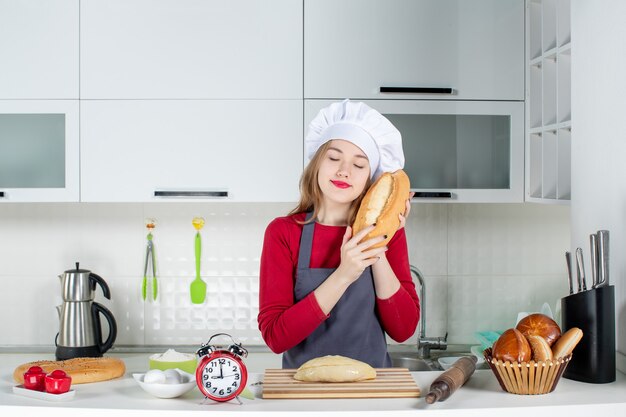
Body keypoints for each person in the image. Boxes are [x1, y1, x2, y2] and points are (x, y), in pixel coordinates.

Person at [257, 99, 420, 368]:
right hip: (304, 394)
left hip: (372, 393)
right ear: (317, 164)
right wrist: (344, 275)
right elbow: (276, 337)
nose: (344, 171)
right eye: (334, 158)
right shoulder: (283, 233)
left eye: (359, 165)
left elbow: (403, 330)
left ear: (370, 178)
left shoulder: (390, 236)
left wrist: (376, 244)